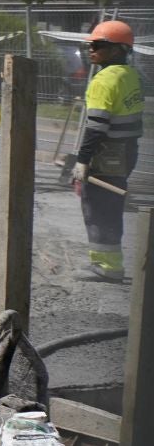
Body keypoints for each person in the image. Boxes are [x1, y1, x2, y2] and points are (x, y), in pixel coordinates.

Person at [72, 20, 143, 282]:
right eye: (90, 44)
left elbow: (96, 128)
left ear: (116, 49)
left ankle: (106, 266)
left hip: (107, 153)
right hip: (127, 150)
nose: (91, 49)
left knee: (98, 206)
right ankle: (111, 263)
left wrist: (83, 160)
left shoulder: (103, 80)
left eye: (98, 45)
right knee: (112, 206)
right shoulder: (133, 75)